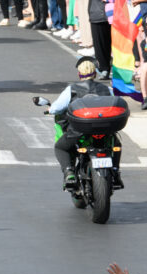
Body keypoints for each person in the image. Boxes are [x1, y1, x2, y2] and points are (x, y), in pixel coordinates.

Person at [49, 57, 125, 190]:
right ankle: (115, 171)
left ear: (79, 74)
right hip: (105, 130)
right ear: (95, 73)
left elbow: (55, 109)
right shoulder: (107, 89)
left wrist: (49, 109)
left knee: (60, 147)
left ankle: (69, 173)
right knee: (116, 145)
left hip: (80, 130)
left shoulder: (71, 89)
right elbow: (116, 103)